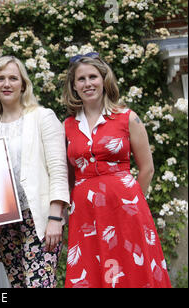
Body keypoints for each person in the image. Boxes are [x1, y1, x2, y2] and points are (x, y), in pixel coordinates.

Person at [62, 52, 171, 288]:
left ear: (104, 80)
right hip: (85, 211)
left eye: (93, 76)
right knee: (91, 270)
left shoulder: (127, 118)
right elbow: (69, 178)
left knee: (132, 266)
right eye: (81, 79)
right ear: (74, 86)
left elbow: (147, 169)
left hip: (126, 208)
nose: (88, 83)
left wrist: (132, 205)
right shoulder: (67, 126)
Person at [0, 56, 69, 288]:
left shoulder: (43, 117)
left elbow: (58, 170)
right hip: (5, 225)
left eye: (13, 78)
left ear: (23, 84)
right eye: (0, 79)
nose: (7, 84)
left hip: (39, 219)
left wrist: (55, 217)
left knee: (39, 285)